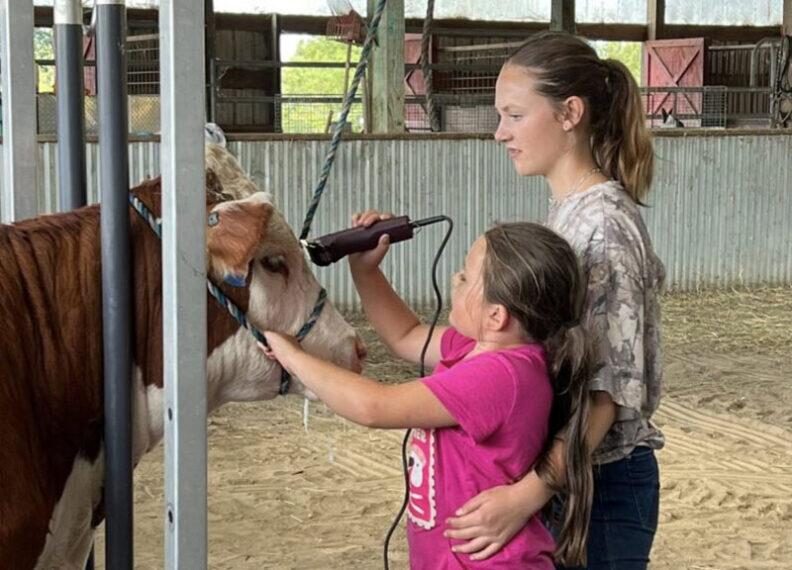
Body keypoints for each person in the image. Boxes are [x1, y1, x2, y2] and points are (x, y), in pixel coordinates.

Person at [444, 31, 665, 570]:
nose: (500, 132)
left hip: (601, 482)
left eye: (515, 115)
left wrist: (526, 496)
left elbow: (606, 395)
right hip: (571, 474)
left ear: (570, 113)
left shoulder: (603, 228)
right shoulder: (569, 213)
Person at [261, 218, 595, 568]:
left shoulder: (502, 375)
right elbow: (405, 335)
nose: (455, 278)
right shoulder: (476, 346)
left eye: (465, 277)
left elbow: (374, 407)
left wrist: (294, 358)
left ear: (496, 316)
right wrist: (365, 271)